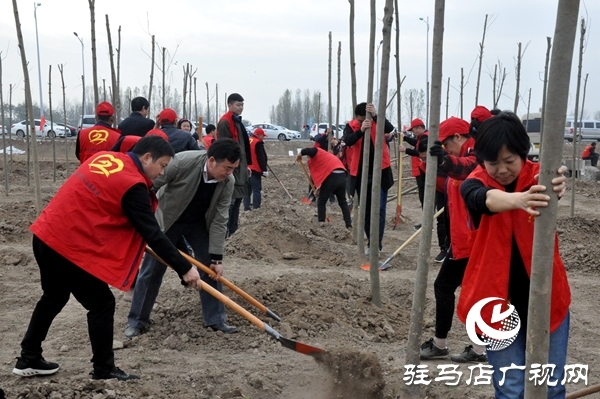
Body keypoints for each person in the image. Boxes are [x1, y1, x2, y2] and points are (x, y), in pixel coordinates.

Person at [13, 136, 201, 381]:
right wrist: (185, 268)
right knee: (101, 304)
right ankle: (104, 369)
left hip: (46, 234)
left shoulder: (107, 157)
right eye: (162, 165)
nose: (163, 171)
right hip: (68, 245)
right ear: (146, 158)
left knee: (54, 296)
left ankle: (28, 357)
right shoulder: (133, 184)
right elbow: (152, 233)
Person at [458, 111, 571, 399]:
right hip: (496, 304)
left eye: (509, 161)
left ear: (523, 154)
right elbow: (483, 199)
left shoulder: (540, 176)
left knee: (552, 386)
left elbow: (555, 182)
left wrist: (558, 183)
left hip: (547, 297)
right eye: (493, 162)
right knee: (510, 388)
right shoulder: (475, 181)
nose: (502, 170)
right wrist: (519, 200)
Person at [126, 138, 242, 338]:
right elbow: (149, 185)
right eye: (227, 167)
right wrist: (144, 219)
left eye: (233, 169)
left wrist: (217, 258)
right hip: (168, 219)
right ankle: (137, 321)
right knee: (152, 270)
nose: (230, 173)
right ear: (212, 161)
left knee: (210, 269)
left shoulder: (227, 183)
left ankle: (215, 319)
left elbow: (220, 219)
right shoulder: (182, 162)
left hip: (197, 224)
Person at [419, 117, 486, 362]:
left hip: (475, 241)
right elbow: (448, 181)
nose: (446, 150)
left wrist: (446, 160)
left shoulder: (478, 155)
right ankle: (448, 344)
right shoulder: (459, 156)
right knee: (448, 287)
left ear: (458, 137)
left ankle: (467, 347)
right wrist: (432, 165)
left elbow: (467, 167)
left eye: (447, 145)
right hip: (460, 241)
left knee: (468, 291)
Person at [343, 102, 394, 255]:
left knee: (379, 210)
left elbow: (389, 128)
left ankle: (376, 244)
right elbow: (348, 141)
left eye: (363, 119)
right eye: (359, 120)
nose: (361, 122)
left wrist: (376, 115)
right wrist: (361, 130)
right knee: (366, 211)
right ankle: (370, 240)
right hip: (360, 175)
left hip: (380, 172)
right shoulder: (350, 127)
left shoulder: (377, 122)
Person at [400, 117, 448, 262]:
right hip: (440, 190)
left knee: (448, 219)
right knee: (442, 219)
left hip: (451, 190)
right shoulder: (424, 165)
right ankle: (444, 249)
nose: (422, 159)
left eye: (424, 157)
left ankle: (450, 248)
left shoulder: (445, 161)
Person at [217, 93, 252, 236]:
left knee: (238, 200)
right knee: (230, 201)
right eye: (238, 104)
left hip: (240, 166)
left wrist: (246, 166)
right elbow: (225, 147)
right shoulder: (225, 122)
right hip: (232, 167)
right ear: (229, 105)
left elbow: (242, 146)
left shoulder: (237, 122)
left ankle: (234, 230)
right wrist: (231, 166)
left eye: (242, 105)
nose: (241, 107)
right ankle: (226, 232)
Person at [296, 146, 352, 229]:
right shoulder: (325, 157)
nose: (308, 158)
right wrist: (318, 189)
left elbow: (309, 150)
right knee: (342, 202)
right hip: (342, 174)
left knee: (321, 201)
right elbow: (324, 175)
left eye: (308, 156)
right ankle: (348, 224)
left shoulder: (317, 151)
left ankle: (321, 224)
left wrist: (300, 153)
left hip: (332, 175)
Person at [244, 127, 268, 211]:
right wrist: (264, 169)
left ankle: (246, 207)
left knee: (247, 189)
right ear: (258, 135)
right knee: (256, 189)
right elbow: (260, 157)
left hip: (246, 168)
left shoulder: (248, 139)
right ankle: (256, 207)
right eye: (262, 136)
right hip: (255, 169)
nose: (263, 137)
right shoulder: (258, 143)